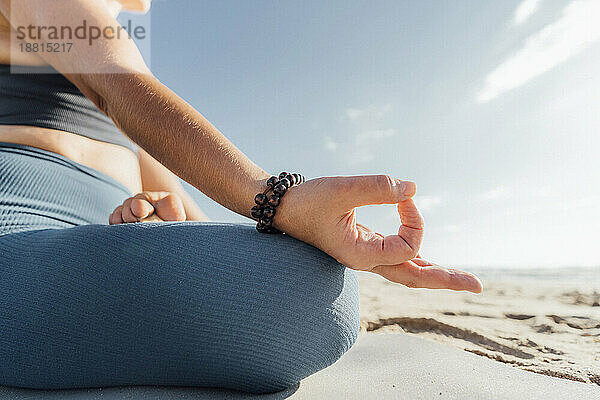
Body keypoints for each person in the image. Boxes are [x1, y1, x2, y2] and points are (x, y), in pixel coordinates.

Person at [0, 0, 482, 394]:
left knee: (303, 283)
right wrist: (282, 201)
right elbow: (120, 87)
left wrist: (338, 241)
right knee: (298, 302)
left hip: (87, 241)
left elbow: (189, 209)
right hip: (14, 220)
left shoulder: (133, 110)